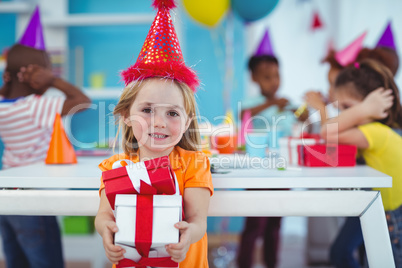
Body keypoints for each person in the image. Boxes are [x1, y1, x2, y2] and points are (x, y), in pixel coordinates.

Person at [94, 1, 213, 267]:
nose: (159, 122)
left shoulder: (194, 165)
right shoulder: (116, 166)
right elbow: (103, 215)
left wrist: (187, 237)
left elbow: (198, 221)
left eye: (172, 113)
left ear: (186, 123)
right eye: (147, 110)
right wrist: (105, 231)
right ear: (126, 114)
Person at [0, 44, 90, 268]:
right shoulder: (35, 107)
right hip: (34, 198)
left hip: (7, 198)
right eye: (47, 70)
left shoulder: (3, 106)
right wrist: (53, 81)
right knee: (47, 261)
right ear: (35, 75)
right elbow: (83, 101)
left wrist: (9, 84)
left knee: (16, 261)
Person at [321, 59, 402, 268]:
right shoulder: (375, 131)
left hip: (389, 215)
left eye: (348, 108)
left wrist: (365, 109)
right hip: (379, 207)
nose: (345, 116)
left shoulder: (374, 132)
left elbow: (327, 132)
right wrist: (361, 109)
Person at [237, 54, 296, 268]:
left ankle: (272, 263)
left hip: (282, 170)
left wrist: (302, 110)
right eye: (267, 77)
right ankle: (243, 264)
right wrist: (272, 103)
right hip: (257, 172)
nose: (274, 81)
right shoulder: (251, 104)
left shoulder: (286, 105)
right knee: (255, 223)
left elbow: (302, 117)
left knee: (275, 223)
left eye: (277, 76)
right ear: (254, 78)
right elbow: (243, 114)